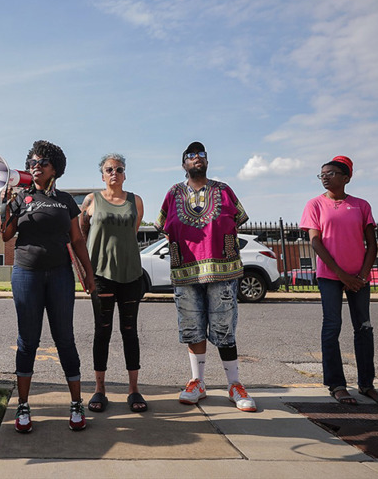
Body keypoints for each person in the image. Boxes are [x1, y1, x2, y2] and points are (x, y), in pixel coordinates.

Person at [1, 140, 95, 433]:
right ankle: (24, 405)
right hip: (26, 274)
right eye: (31, 162)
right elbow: (5, 235)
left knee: (64, 337)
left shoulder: (65, 200)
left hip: (59, 275)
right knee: (27, 340)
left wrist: (88, 275)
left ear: (55, 168)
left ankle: (77, 403)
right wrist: (8, 203)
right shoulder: (20, 198)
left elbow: (77, 240)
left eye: (41, 162)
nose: (35, 167)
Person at [156, 141, 256, 412]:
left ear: (207, 161)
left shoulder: (223, 190)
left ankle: (234, 384)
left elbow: (238, 219)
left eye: (202, 155)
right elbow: (164, 226)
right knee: (192, 328)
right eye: (191, 155)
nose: (197, 158)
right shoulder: (173, 193)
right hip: (186, 272)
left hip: (222, 271)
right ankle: (197, 382)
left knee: (224, 328)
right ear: (183, 164)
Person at [300, 156, 378, 406]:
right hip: (330, 276)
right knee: (332, 327)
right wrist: (341, 274)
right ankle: (337, 384)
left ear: (346, 177)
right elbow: (315, 241)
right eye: (322, 174)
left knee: (364, 328)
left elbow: (371, 243)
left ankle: (367, 384)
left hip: (359, 278)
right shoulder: (315, 204)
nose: (325, 177)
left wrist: (361, 275)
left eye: (330, 173)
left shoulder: (361, 205)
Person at [79, 153, 147, 413]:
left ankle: (133, 390)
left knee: (129, 331)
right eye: (109, 169)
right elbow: (83, 231)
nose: (114, 173)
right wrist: (87, 269)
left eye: (119, 169)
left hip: (131, 275)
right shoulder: (91, 200)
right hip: (101, 276)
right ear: (103, 174)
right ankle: (99, 390)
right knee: (102, 331)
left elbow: (132, 232)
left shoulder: (135, 201)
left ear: (125, 174)